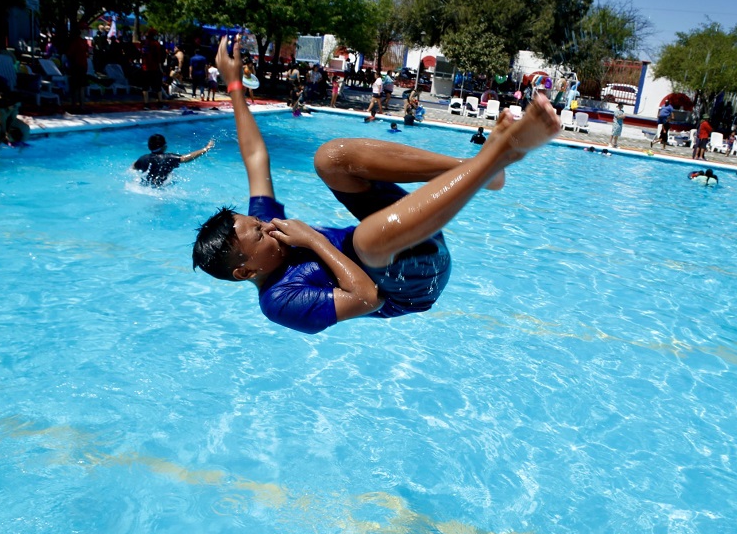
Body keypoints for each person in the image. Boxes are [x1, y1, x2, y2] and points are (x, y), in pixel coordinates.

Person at [192, 36, 562, 334]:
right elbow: (368, 298)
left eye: (256, 222)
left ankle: (478, 169)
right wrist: (314, 240)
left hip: (407, 236)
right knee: (365, 241)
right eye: (258, 234)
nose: (267, 226)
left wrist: (234, 82)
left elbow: (255, 156)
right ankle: (498, 156)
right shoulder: (280, 302)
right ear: (245, 271)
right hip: (412, 286)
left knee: (331, 157)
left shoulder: (270, 226)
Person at [132, 133, 214, 186]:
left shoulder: (143, 158)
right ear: (164, 146)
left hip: (145, 187)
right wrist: (206, 148)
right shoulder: (168, 157)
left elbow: (133, 167)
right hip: (161, 190)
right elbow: (186, 158)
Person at [140, 29, 166, 110]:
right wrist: (160, 68)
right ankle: (160, 103)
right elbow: (158, 57)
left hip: (145, 68)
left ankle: (146, 104)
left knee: (145, 86)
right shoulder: (156, 44)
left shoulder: (144, 43)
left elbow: (142, 54)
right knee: (158, 86)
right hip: (154, 67)